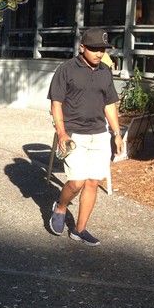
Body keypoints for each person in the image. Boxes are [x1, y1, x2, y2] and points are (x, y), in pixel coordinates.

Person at [47, 27, 125, 246]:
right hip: (74, 135)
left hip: (99, 135)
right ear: (82, 48)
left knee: (92, 182)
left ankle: (80, 230)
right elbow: (56, 103)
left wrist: (117, 134)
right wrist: (61, 133)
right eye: (94, 49)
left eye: (102, 49)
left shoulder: (105, 71)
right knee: (77, 181)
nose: (99, 54)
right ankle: (61, 206)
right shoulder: (66, 69)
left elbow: (110, 104)